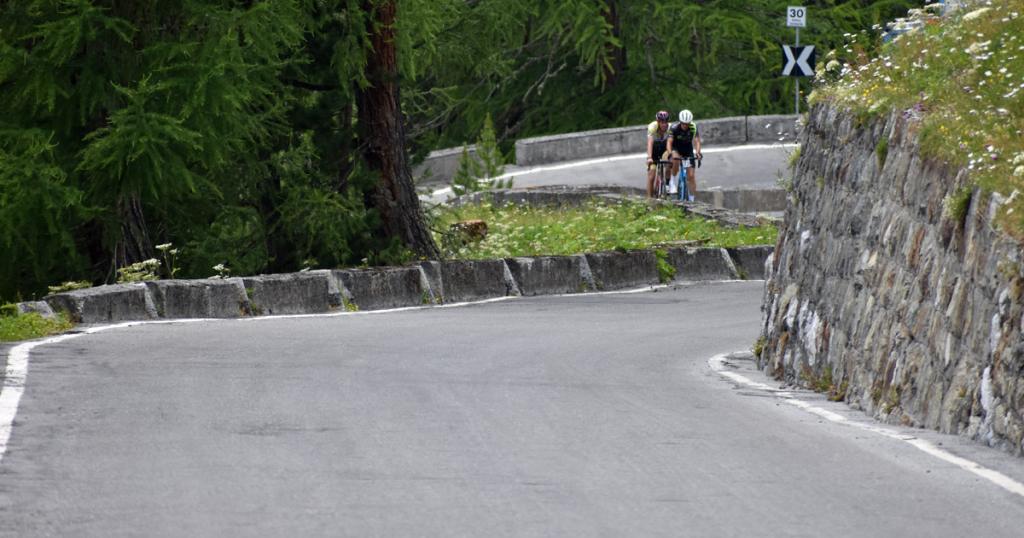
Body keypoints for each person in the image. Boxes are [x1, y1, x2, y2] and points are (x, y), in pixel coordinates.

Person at [666, 109, 703, 201]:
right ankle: (672, 181)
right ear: (680, 122)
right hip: (676, 149)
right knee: (675, 159)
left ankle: (692, 198)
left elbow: (697, 141)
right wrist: (670, 153)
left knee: (691, 176)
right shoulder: (674, 128)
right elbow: (669, 142)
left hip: (687, 150)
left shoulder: (693, 127)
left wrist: (698, 152)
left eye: (687, 123)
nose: (685, 126)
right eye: (683, 123)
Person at [645, 110, 672, 197]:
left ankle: (667, 185)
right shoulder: (652, 127)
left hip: (665, 150)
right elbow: (650, 143)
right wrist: (649, 157)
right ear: (657, 122)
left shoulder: (671, 128)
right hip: (654, 151)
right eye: (661, 122)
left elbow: (671, 144)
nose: (664, 124)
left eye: (665, 122)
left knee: (668, 162)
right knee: (651, 176)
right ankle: (649, 199)